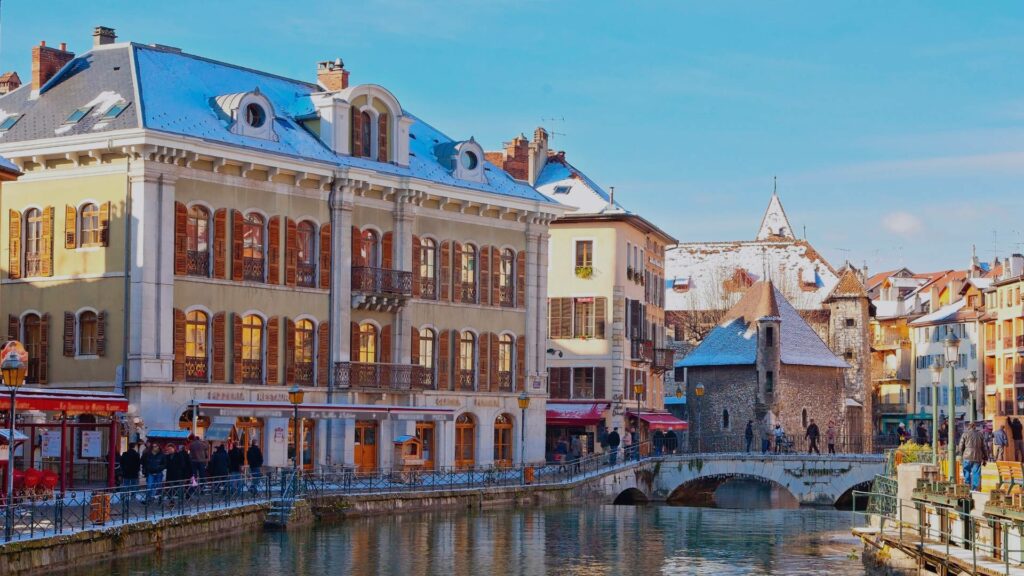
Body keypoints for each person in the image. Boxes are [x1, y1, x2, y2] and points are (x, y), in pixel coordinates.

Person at [958, 421, 986, 491]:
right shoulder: (980, 434)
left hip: (967, 456)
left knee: (966, 471)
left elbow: (961, 446)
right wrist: (985, 457)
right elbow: (984, 447)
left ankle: (967, 486)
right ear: (975, 427)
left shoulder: (965, 434)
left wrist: (961, 455)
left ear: (968, 427)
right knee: (976, 473)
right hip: (977, 457)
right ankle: (975, 488)